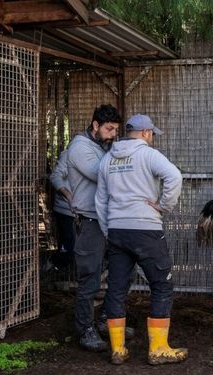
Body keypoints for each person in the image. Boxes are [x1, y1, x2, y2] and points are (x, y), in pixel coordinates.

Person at [95, 114, 187, 365]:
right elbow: (174, 177)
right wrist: (164, 206)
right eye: (152, 133)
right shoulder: (148, 155)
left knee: (116, 288)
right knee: (161, 285)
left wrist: (108, 230)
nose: (152, 137)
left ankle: (117, 349)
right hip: (145, 229)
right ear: (146, 133)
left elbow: (101, 201)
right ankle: (158, 349)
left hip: (117, 230)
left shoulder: (106, 160)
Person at [66, 104, 120, 352]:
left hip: (110, 220)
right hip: (90, 221)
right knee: (89, 279)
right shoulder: (79, 147)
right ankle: (85, 328)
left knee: (123, 272)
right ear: (95, 125)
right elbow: (101, 175)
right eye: (109, 129)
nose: (112, 135)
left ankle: (106, 319)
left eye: (116, 130)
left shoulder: (104, 147)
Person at [45, 149, 74, 272]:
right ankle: (51, 266)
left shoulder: (98, 153)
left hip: (86, 211)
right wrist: (67, 195)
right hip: (65, 210)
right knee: (67, 248)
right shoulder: (70, 154)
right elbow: (55, 176)